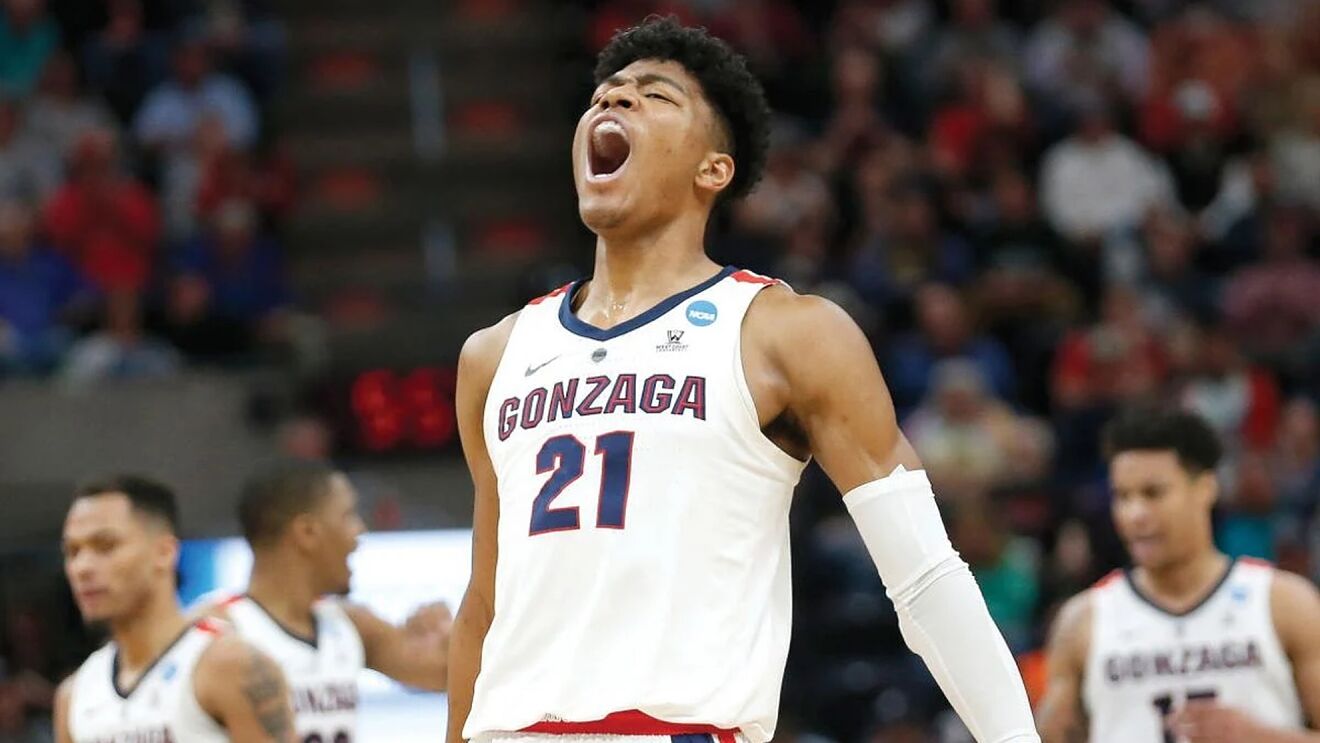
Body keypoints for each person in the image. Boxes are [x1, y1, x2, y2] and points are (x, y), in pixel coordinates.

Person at [448, 17, 1037, 743]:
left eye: (653, 95)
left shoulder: (784, 332)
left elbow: (925, 577)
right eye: (605, 94)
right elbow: (483, 602)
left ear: (713, 169)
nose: (615, 103)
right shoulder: (495, 353)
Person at [1037, 408, 1320, 742]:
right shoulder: (1082, 620)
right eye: (1122, 496)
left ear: (1205, 488)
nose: (1135, 514)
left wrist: (1260, 737)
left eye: (1153, 493)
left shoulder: (1284, 603)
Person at [193, 461, 451, 742]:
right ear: (307, 533)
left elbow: (446, 674)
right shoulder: (215, 630)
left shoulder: (350, 623)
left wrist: (451, 637)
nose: (359, 532)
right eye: (348, 515)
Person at [54, 474, 296, 743]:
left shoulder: (232, 665)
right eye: (72, 551)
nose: (82, 567)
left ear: (165, 552)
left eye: (106, 546)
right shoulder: (75, 694)